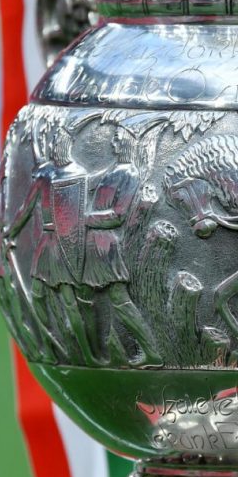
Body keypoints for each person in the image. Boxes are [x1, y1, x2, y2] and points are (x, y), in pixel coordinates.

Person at [4, 115, 96, 366]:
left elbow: (73, 216)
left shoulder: (75, 175)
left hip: (62, 244)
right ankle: (53, 342)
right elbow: (26, 208)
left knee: (68, 299)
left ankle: (85, 349)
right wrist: (11, 231)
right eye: (54, 144)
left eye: (60, 143)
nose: (56, 148)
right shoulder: (46, 175)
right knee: (39, 294)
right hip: (47, 242)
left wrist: (11, 231)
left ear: (67, 145)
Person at [82, 126, 161, 367]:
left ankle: (150, 352)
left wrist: (85, 218)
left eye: (117, 140)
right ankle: (92, 353)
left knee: (118, 298)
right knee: (88, 297)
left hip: (105, 244)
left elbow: (118, 215)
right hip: (93, 243)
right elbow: (85, 184)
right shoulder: (112, 171)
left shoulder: (129, 175)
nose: (113, 144)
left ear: (127, 142)